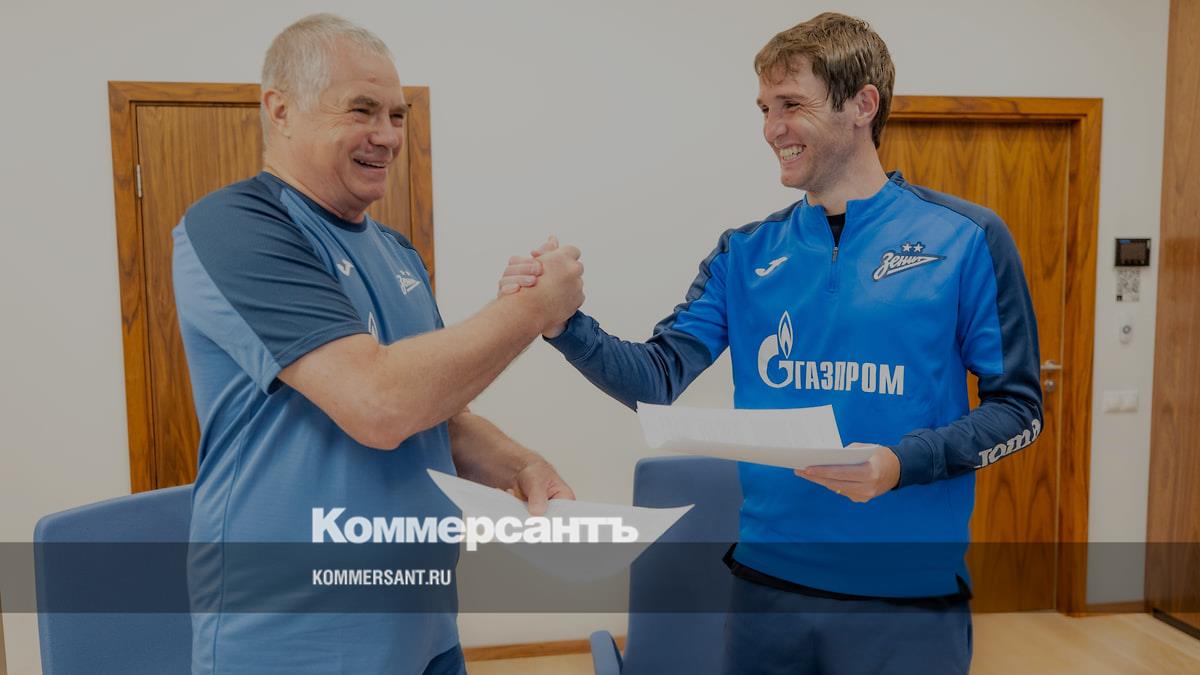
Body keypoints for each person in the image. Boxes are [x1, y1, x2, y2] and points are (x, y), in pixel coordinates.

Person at [501, 12, 1042, 674]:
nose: (771, 128)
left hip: (906, 593)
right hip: (767, 590)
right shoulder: (746, 252)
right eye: (764, 108)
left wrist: (901, 464)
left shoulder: (967, 239)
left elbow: (1019, 409)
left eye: (791, 104)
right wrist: (563, 322)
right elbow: (656, 377)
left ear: (862, 105)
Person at [173, 14, 582, 675]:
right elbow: (379, 404)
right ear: (281, 110)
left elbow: (436, 413)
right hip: (296, 643)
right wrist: (533, 309)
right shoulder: (236, 225)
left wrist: (520, 465)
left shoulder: (396, 251)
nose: (388, 136)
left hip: (423, 628)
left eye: (396, 115)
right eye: (362, 110)